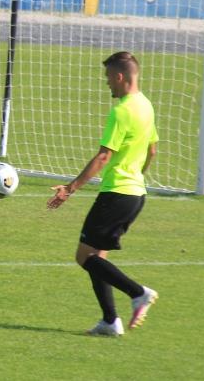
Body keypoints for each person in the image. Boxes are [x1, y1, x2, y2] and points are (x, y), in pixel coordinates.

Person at [47, 51, 159, 336]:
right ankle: (110, 321)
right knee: (99, 257)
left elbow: (103, 157)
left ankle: (138, 293)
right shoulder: (145, 106)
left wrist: (69, 189)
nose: (107, 83)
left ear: (120, 77)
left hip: (117, 194)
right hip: (135, 194)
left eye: (108, 77)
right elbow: (152, 150)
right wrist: (136, 176)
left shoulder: (122, 110)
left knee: (84, 257)